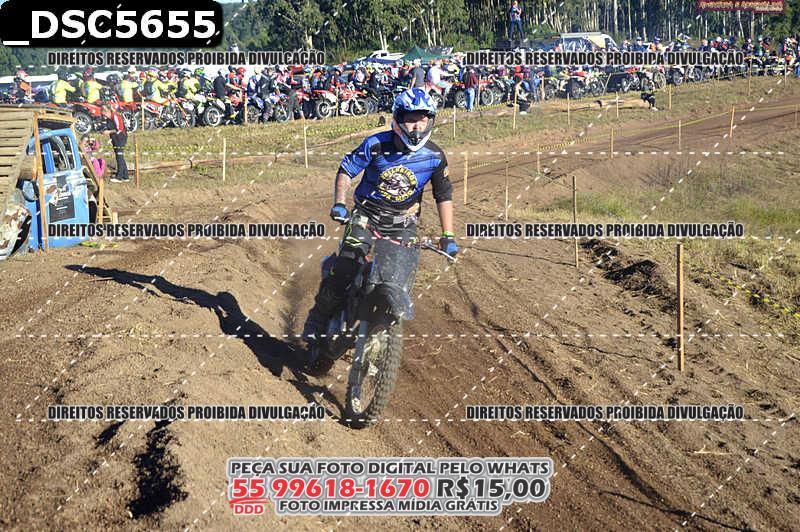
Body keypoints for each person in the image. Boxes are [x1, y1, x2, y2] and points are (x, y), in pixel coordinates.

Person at [302, 88, 458, 358]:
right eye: (411, 119)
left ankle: (378, 329)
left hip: (403, 225)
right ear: (398, 119)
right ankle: (317, 320)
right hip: (366, 215)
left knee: (398, 279)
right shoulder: (376, 144)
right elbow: (347, 169)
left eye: (422, 119)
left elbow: (443, 195)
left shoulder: (434, 156)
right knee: (345, 266)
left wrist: (449, 235)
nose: (417, 126)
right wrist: (340, 202)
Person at [100, 106, 129, 183]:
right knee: (119, 156)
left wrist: (108, 132)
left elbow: (119, 129)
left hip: (121, 137)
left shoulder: (115, 116)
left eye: (104, 114)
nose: (104, 116)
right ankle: (125, 176)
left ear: (107, 111)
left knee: (119, 157)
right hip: (114, 138)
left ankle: (119, 177)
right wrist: (110, 138)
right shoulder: (108, 119)